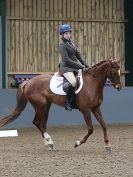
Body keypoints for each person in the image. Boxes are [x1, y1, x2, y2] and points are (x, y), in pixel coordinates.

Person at [59, 24, 89, 111]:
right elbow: (66, 59)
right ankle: (68, 102)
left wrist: (85, 64)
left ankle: (81, 101)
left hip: (75, 67)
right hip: (66, 68)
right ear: (62, 34)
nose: (68, 35)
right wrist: (80, 66)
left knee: (84, 80)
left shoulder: (71, 43)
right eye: (66, 33)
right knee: (73, 82)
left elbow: (78, 54)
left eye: (69, 33)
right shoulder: (62, 45)